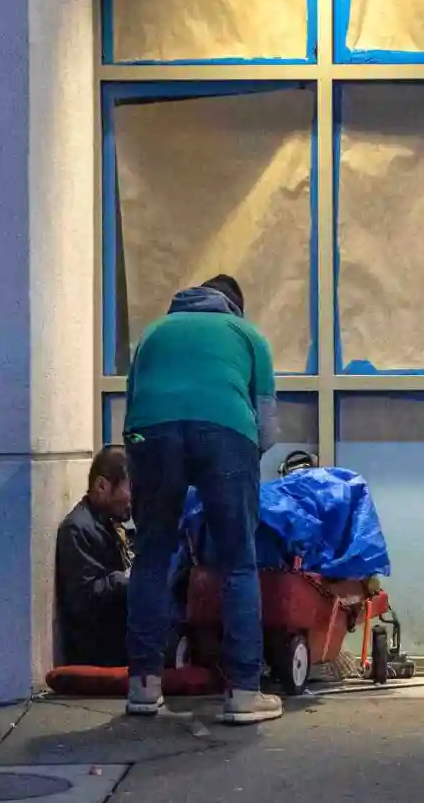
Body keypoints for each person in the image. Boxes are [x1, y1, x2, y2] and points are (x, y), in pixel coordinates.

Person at [122, 274, 283, 725]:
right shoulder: (247, 334)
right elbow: (267, 427)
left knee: (151, 557)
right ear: (234, 306)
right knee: (238, 563)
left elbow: (133, 404)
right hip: (226, 432)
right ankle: (244, 692)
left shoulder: (153, 333)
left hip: (149, 433)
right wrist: (240, 466)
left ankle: (143, 685)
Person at [55, 446, 133, 668]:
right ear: (102, 486)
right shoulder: (76, 529)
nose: (134, 500)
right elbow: (84, 599)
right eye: (131, 489)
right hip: (100, 652)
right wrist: (129, 577)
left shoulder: (109, 522)